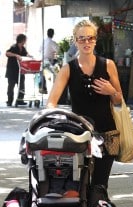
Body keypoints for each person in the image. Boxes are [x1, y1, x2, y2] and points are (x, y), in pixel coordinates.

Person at [47, 19, 122, 187]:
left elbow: (118, 100)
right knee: (78, 185)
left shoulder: (108, 65)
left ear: (96, 40)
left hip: (106, 134)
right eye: (82, 38)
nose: (87, 42)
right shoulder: (68, 69)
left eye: (90, 38)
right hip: (79, 134)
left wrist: (111, 91)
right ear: (75, 41)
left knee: (100, 185)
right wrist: (56, 117)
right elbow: (51, 102)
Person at [5, 34, 32, 107]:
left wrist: (30, 56)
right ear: (22, 40)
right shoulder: (14, 47)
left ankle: (20, 100)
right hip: (12, 70)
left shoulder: (23, 48)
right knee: (11, 86)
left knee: (21, 85)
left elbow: (26, 54)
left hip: (20, 70)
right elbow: (7, 53)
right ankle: (9, 101)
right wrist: (16, 55)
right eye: (25, 40)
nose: (25, 41)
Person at [39, 28, 59, 94]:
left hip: (43, 60)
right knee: (57, 73)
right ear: (53, 34)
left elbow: (39, 50)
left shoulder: (43, 41)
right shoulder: (52, 42)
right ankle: (56, 89)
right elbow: (58, 50)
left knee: (42, 74)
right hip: (49, 61)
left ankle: (42, 88)